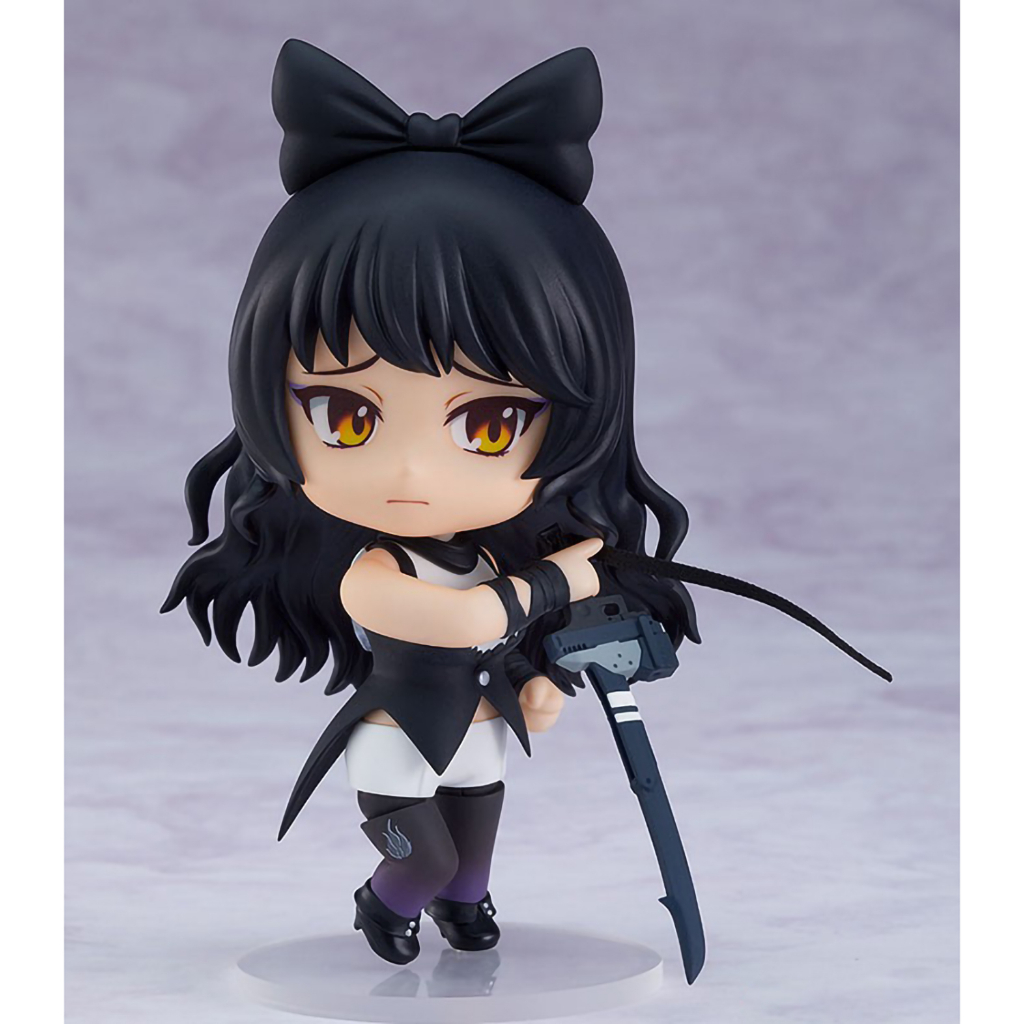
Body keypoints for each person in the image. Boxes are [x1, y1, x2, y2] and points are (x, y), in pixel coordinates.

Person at [162, 41, 699, 965]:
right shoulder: (374, 572)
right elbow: (465, 621)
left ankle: (463, 907)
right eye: (344, 415)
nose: (411, 471)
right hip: (394, 743)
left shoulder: (492, 556)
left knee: (476, 848)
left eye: (488, 423)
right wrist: (560, 580)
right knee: (426, 852)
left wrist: (541, 675)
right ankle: (385, 902)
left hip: (483, 729)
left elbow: (499, 633)